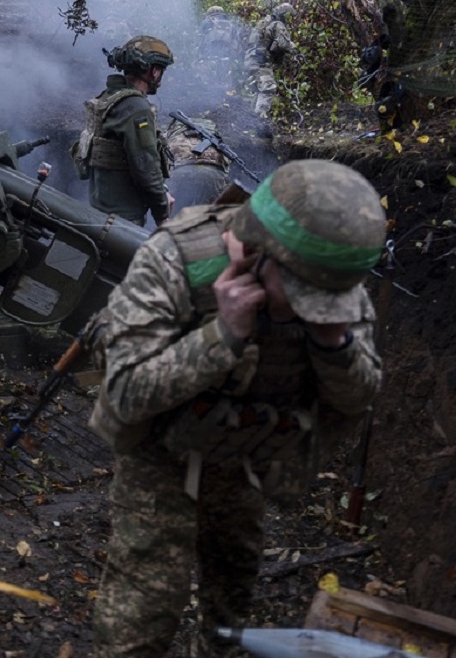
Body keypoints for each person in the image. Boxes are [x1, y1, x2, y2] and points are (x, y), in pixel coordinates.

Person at [86, 159, 387, 658]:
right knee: (143, 611)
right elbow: (125, 392)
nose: (312, 309)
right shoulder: (174, 259)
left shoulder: (330, 275)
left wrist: (334, 344)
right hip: (160, 456)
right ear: (254, 252)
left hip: (244, 457)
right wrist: (222, 336)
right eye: (301, 296)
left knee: (234, 585)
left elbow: (358, 398)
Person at [72, 35, 176, 227]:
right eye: (162, 70)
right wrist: (162, 215)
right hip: (122, 219)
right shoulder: (136, 108)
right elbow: (145, 166)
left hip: (101, 208)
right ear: (154, 71)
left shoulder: (110, 98)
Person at [244, 3, 299, 116]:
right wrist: (294, 50)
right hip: (261, 61)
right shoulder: (278, 24)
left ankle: (249, 121)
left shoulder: (262, 24)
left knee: (258, 91)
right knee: (268, 89)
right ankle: (260, 120)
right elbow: (283, 43)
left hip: (250, 59)